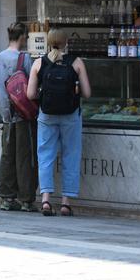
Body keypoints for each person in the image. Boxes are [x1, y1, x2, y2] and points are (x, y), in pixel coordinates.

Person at [26, 28, 92, 217]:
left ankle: (46, 199)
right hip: (71, 115)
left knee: (45, 156)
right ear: (66, 42)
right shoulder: (76, 63)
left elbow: (30, 94)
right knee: (71, 155)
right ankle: (66, 202)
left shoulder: (39, 63)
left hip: (46, 115)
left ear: (48, 42)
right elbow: (87, 93)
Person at [0, 22, 36, 212]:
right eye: (26, 37)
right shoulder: (25, 58)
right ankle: (26, 199)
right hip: (24, 115)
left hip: (8, 115)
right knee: (25, 157)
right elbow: (32, 89)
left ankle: (7, 198)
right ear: (22, 37)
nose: (26, 40)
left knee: (7, 156)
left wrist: (5, 115)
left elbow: (0, 90)